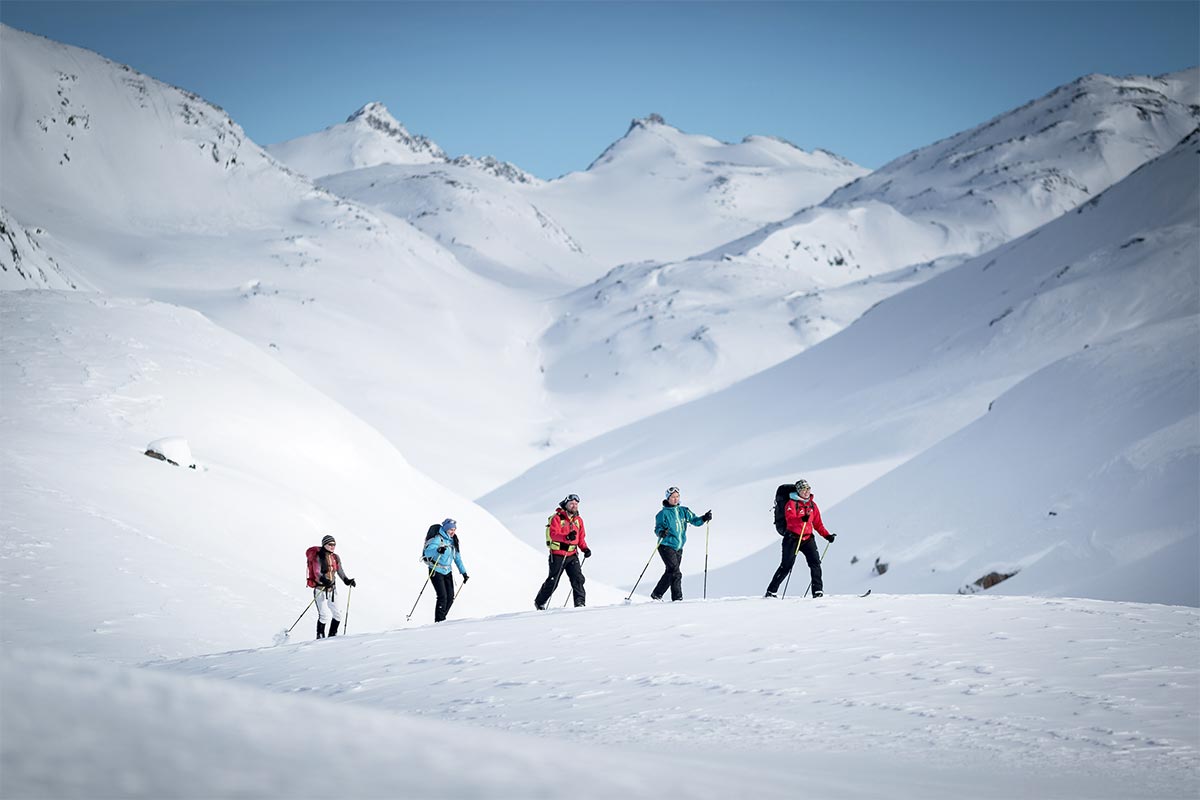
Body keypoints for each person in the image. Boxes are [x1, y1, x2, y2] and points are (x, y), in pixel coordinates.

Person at [765, 479, 836, 598]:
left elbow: (818, 524)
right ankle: (771, 591)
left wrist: (827, 535)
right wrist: (801, 519)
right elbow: (790, 520)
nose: (806, 492)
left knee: (815, 564)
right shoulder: (791, 503)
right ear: (798, 491)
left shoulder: (813, 505)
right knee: (786, 566)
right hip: (792, 538)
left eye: (808, 489)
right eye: (803, 489)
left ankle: (818, 591)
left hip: (808, 539)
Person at [651, 487, 711, 601]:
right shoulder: (662, 514)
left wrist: (704, 518)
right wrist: (661, 532)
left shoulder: (684, 511)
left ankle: (657, 594)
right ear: (668, 498)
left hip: (679, 547)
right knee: (675, 572)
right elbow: (657, 528)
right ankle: (677, 598)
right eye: (673, 497)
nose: (675, 499)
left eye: (677, 497)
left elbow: (695, 521)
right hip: (666, 545)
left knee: (671, 572)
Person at [534, 494, 590, 609]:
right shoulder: (557, 518)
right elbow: (553, 534)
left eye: (576, 504)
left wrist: (585, 548)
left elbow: (580, 538)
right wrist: (567, 537)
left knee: (578, 579)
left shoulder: (578, 520)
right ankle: (539, 602)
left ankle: (580, 604)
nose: (574, 506)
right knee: (553, 581)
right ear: (566, 505)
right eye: (571, 504)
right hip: (558, 555)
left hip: (572, 555)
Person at [305, 534, 356, 638]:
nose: (333, 546)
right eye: (330, 544)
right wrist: (323, 579)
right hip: (320, 589)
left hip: (332, 590)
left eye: (334, 544)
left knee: (337, 614)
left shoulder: (335, 557)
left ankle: (332, 636)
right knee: (323, 616)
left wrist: (347, 580)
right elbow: (317, 572)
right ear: (324, 545)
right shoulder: (318, 556)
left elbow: (339, 570)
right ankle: (320, 637)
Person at [422, 519, 468, 622]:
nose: (453, 532)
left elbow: (457, 558)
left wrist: (463, 572)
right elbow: (427, 552)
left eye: (454, 529)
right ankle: (439, 621)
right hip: (435, 570)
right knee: (442, 596)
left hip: (447, 571)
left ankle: (442, 618)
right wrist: (437, 550)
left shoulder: (453, 540)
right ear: (446, 529)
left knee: (450, 597)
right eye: (451, 529)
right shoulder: (438, 539)